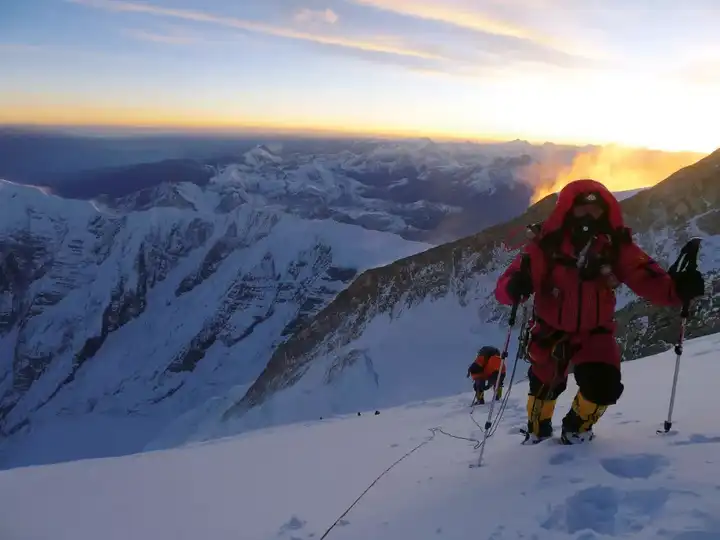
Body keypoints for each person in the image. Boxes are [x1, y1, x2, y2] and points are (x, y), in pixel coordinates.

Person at [494, 179, 704, 444]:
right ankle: (538, 431)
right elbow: (507, 283)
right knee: (544, 387)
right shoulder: (546, 246)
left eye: (595, 210)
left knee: (604, 385)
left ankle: (577, 428)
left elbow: (644, 276)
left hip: (595, 332)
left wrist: (677, 290)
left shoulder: (615, 247)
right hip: (551, 330)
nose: (589, 216)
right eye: (582, 208)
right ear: (568, 210)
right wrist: (514, 287)